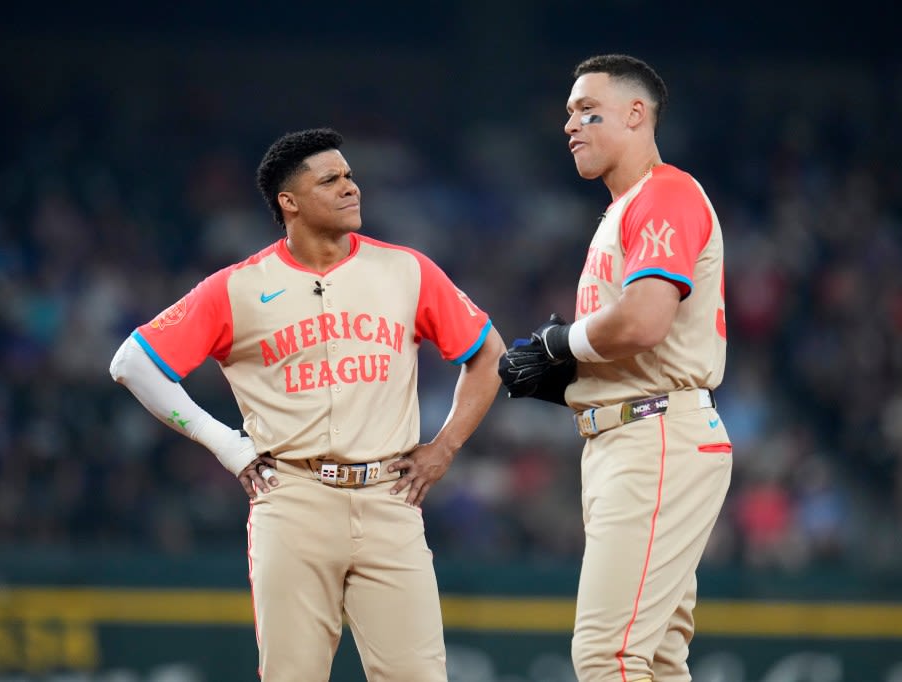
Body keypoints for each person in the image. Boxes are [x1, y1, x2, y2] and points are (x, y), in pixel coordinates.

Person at [109, 127, 505, 681]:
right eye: (331, 180)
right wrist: (225, 443)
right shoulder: (238, 286)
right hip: (292, 496)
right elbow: (132, 362)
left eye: (349, 176)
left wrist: (445, 447)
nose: (351, 187)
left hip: (389, 496)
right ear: (288, 202)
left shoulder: (406, 269)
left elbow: (489, 354)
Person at [499, 55, 732, 682]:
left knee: (608, 657)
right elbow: (639, 340)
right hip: (634, 430)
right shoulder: (626, 207)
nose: (569, 124)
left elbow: (643, 320)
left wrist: (560, 344)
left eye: (585, 109)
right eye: (569, 112)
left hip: (655, 436)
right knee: (654, 660)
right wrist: (571, 381)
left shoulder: (665, 193)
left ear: (636, 114)